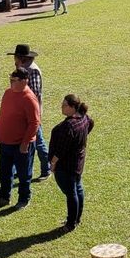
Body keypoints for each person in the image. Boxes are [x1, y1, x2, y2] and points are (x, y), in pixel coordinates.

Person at [0, 68, 41, 209]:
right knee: (4, 172)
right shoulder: (8, 93)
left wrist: (25, 143)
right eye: (10, 79)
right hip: (5, 142)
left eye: (14, 80)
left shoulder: (29, 98)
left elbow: (35, 123)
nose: (11, 82)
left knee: (24, 174)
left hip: (21, 145)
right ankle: (3, 197)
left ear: (25, 81)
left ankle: (24, 198)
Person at [48, 94, 93, 232]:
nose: (61, 107)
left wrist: (53, 163)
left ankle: (71, 223)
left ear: (73, 107)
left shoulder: (68, 126)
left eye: (64, 105)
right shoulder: (84, 118)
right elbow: (90, 125)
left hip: (66, 165)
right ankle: (76, 218)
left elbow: (60, 150)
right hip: (77, 162)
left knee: (71, 193)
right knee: (77, 189)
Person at [13, 44, 48, 179]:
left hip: (32, 114)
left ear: (21, 58)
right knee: (21, 140)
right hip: (22, 113)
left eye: (16, 57)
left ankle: (46, 168)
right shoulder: (22, 69)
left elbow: (34, 93)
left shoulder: (32, 71)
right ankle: (20, 169)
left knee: (38, 141)